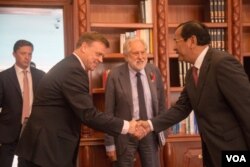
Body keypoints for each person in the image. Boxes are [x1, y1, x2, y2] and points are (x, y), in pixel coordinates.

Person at [15, 32, 141, 167]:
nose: (101, 60)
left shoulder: (70, 66)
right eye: (98, 54)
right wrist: (127, 126)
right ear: (84, 47)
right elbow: (88, 114)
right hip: (46, 151)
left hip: (44, 149)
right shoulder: (73, 70)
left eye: (102, 56)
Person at [138, 20, 250, 167]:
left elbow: (246, 109)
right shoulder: (192, 73)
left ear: (192, 41)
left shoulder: (222, 63)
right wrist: (150, 124)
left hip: (235, 151)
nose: (174, 46)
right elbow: (182, 108)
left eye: (176, 41)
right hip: (211, 151)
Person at [104, 37, 166, 167]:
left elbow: (161, 105)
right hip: (125, 134)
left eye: (143, 52)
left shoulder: (154, 71)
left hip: (149, 132)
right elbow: (108, 112)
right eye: (136, 53)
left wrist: (163, 132)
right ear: (126, 56)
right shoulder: (115, 75)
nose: (141, 57)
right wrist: (110, 144)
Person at [0, 40, 45, 167]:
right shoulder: (3, 77)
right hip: (7, 131)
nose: (27, 57)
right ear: (14, 54)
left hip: (32, 129)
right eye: (23, 53)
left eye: (30, 54)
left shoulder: (41, 76)